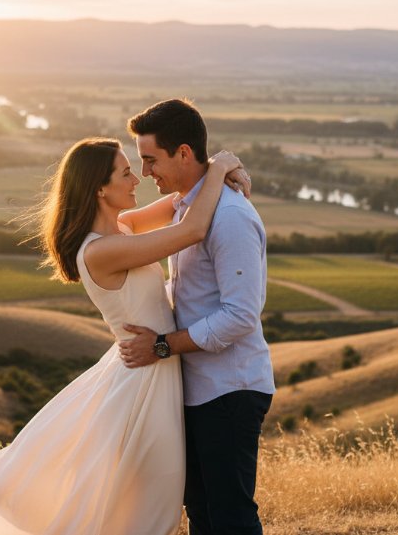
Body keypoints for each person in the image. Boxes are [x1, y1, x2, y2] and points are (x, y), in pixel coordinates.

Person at [0, 136, 250, 535]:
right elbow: (193, 228)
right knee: (147, 507)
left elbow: (183, 202)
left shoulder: (122, 228)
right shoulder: (100, 252)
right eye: (125, 173)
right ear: (99, 188)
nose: (136, 179)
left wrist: (224, 170)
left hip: (154, 369)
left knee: (148, 503)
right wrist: (221, 164)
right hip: (143, 382)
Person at [118, 98, 275, 535]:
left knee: (231, 517)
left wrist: (163, 345)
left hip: (230, 387)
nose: (146, 172)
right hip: (196, 389)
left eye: (151, 160)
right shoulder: (187, 207)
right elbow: (125, 222)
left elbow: (240, 316)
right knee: (203, 512)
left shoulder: (229, 217)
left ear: (183, 153)